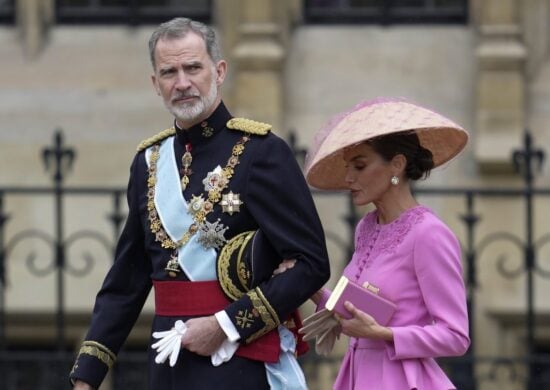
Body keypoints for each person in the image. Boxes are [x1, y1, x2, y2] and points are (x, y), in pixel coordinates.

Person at [70, 17, 330, 389]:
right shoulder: (149, 162)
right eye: (169, 72)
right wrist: (87, 375)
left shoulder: (262, 153)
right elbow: (128, 280)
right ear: (155, 84)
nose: (182, 83)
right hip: (169, 367)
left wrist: (225, 325)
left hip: (240, 363)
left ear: (219, 71)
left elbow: (311, 263)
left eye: (193, 67)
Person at [299, 97, 471, 389]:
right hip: (357, 375)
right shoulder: (366, 227)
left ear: (397, 165)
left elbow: (456, 336)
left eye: (360, 165)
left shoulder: (429, 234)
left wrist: (386, 334)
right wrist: (310, 287)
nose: (349, 177)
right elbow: (358, 309)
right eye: (347, 166)